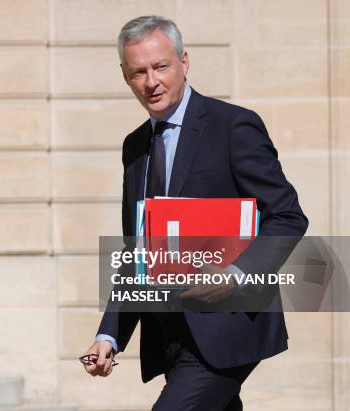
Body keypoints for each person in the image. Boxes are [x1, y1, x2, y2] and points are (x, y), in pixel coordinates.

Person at [80, 16, 308, 410]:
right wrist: (110, 335)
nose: (151, 81)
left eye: (161, 66)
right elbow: (139, 252)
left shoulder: (234, 127)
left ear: (184, 62)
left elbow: (287, 216)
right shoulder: (134, 147)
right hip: (170, 334)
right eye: (138, 71)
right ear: (125, 76)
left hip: (229, 326)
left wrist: (236, 277)